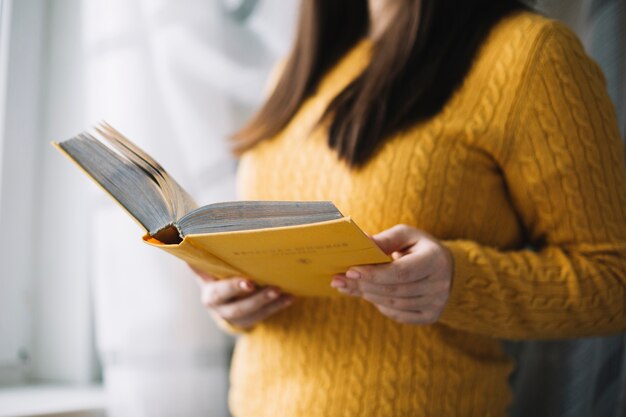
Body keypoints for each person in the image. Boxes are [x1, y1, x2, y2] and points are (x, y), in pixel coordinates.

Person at [192, 0, 626, 415]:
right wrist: (234, 303)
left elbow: (614, 280)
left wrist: (459, 283)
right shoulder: (299, 68)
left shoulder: (532, 56)